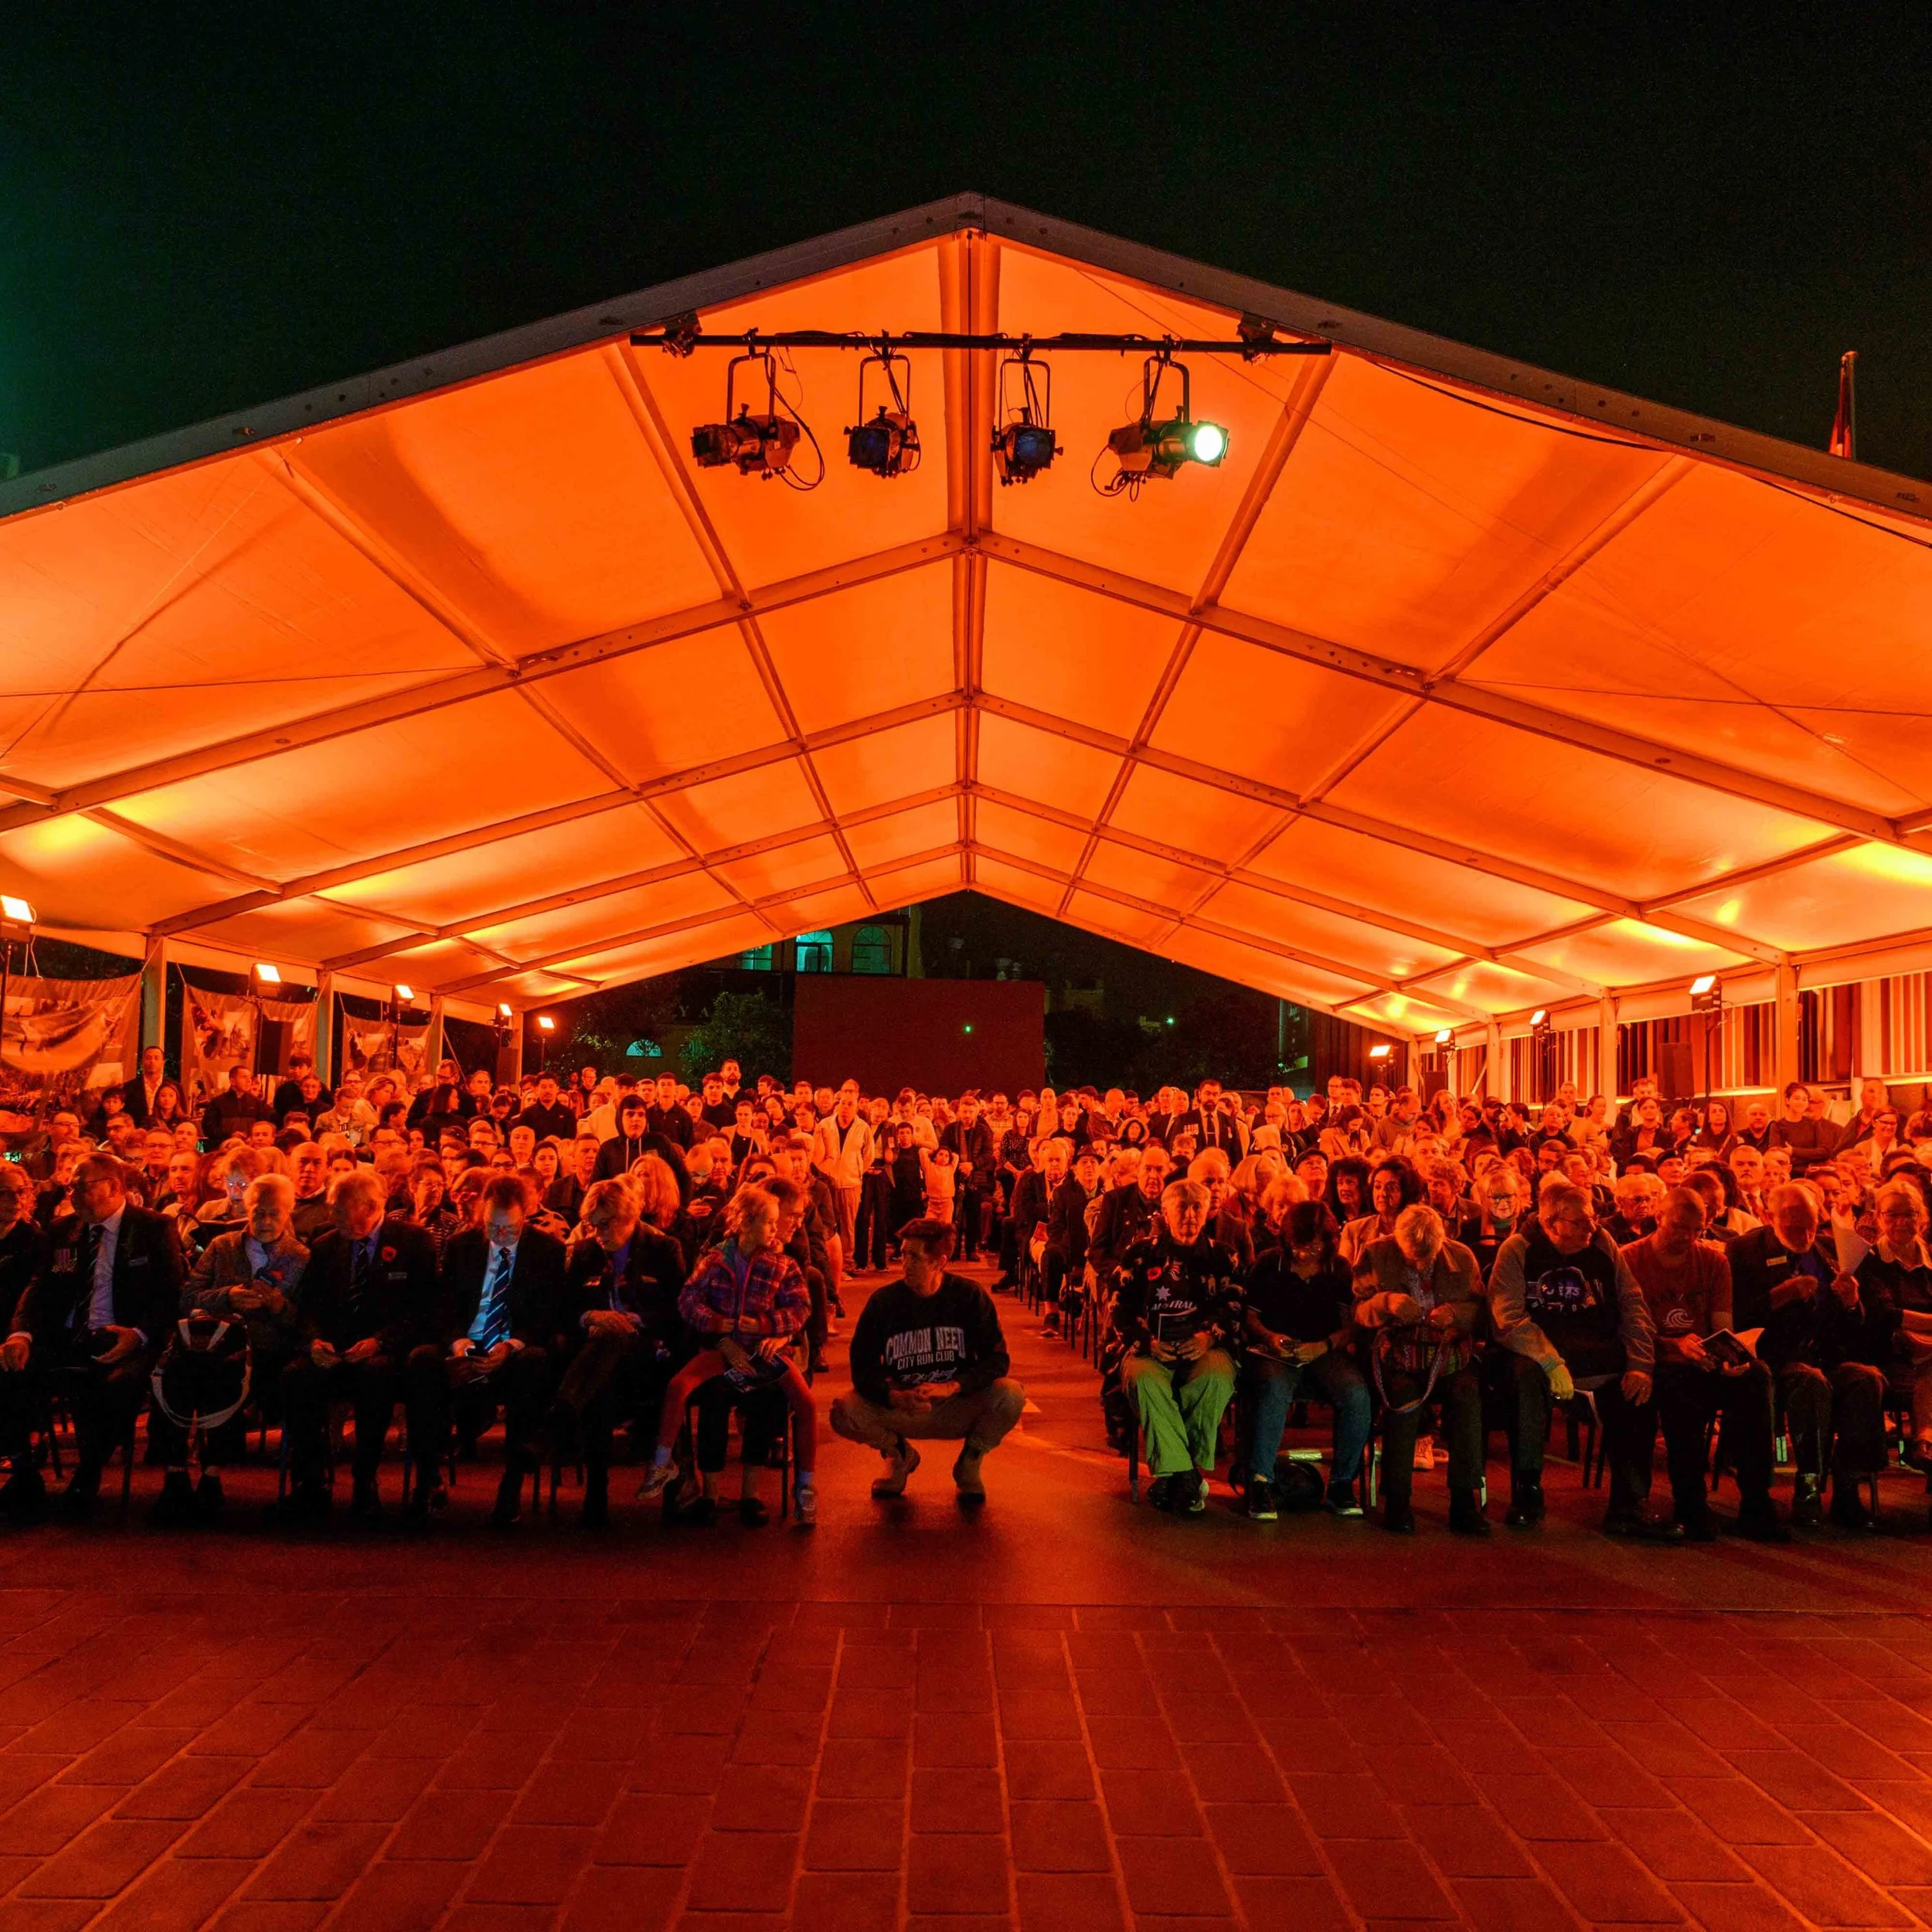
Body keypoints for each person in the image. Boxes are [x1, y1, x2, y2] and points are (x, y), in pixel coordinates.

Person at [0, 1154, 182, 1519]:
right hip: (69, 1335)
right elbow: (40, 1288)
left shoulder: (153, 1228)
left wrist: (139, 1334)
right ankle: (23, 1469)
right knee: (10, 1368)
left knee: (115, 1386)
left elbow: (171, 1295)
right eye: (70, 1187)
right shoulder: (62, 1230)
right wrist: (21, 1334)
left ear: (113, 1187)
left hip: (125, 1338)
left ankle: (89, 1470)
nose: (73, 1195)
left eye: (80, 1186)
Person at [1489, 1179, 1665, 1538]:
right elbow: (1507, 1319)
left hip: (1596, 1350)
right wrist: (1551, 1360)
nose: (1592, 1226)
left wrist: (1641, 1364)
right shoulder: (1518, 1249)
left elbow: (1632, 1303)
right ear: (1552, 1223)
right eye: (1580, 1221)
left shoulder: (1602, 1243)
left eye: (1592, 1218)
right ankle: (1528, 1494)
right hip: (1538, 1352)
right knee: (1525, 1380)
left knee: (1638, 1392)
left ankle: (1628, 1504)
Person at [637, 1184, 818, 1526]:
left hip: (763, 1352)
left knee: (795, 1401)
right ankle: (674, 1469)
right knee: (690, 1389)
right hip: (721, 1350)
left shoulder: (782, 1263)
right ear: (746, 1223)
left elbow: (801, 1307)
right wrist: (718, 1324)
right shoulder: (716, 1260)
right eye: (769, 1223)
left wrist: (767, 1325)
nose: (775, 1230)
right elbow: (688, 1300)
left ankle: (796, 1487)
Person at [274, 1168, 440, 1522]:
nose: (331, 1216)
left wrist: (380, 1341)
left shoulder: (414, 1241)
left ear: (370, 1206)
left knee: (376, 1377)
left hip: (388, 1351)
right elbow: (309, 1307)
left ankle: (365, 1478)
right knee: (295, 1376)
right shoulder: (325, 1243)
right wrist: (313, 1340)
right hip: (334, 1348)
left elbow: (424, 1310)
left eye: (339, 1209)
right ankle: (311, 1479)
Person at [1622, 1187, 1784, 1542]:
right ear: (1659, 1218)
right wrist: (1674, 1344)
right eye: (1678, 1227)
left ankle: (1756, 1500)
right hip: (1657, 1361)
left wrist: (1731, 1356)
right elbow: (1626, 1331)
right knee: (1682, 1388)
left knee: (1756, 1377)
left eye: (1696, 1230)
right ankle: (1690, 1501)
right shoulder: (1629, 1259)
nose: (1687, 1237)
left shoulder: (1714, 1262)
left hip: (1702, 1358)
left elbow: (1721, 1323)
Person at [153, 1172, 311, 1525]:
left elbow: (302, 1321)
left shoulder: (301, 1257)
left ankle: (211, 1474)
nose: (265, 1221)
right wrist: (228, 1296)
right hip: (210, 1342)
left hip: (263, 1351)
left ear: (288, 1214)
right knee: (176, 1371)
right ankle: (175, 1470)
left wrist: (277, 1307)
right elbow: (188, 1297)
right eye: (258, 1213)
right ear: (246, 1210)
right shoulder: (222, 1246)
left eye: (274, 1213)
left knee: (223, 1374)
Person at [832, 1217, 1025, 1506]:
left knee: (1010, 1395)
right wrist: (893, 1396)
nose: (905, 1264)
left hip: (955, 1403)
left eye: (915, 1257)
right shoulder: (883, 1302)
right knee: (843, 1411)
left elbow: (996, 1360)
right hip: (905, 1407)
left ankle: (971, 1461)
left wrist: (953, 1386)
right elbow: (862, 1366)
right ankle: (899, 1456)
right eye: (903, 1254)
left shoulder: (969, 1296)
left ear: (940, 1262)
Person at [1730, 1182, 1889, 1529]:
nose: (1804, 1234)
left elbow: (1857, 1327)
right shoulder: (1743, 1251)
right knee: (1809, 1382)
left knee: (1867, 1378)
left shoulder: (1831, 1250)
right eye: (1794, 1226)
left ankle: (1849, 1486)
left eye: (1812, 1225)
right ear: (1768, 1216)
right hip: (1776, 1356)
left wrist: (1851, 1304)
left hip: (1827, 1353)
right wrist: (1778, 1296)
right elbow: (1734, 1318)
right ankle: (1809, 1483)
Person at [420, 1175, 569, 1527]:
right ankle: (429, 1478)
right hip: (466, 1346)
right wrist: (459, 1343)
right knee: (421, 1363)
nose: (500, 1237)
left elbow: (548, 1317)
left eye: (509, 1229)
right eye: (492, 1227)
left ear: (526, 1215)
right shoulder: (461, 1246)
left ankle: (512, 1484)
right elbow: (442, 1309)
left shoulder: (547, 1251)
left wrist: (512, 1345)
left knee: (534, 1364)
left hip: (514, 1351)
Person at [553, 1178, 689, 1527]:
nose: (597, 1233)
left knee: (613, 1341)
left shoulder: (663, 1250)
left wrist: (635, 1319)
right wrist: (590, 1317)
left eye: (605, 1223)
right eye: (591, 1225)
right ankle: (596, 1487)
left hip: (651, 1354)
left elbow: (680, 1313)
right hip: (601, 1364)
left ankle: (562, 1415)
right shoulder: (586, 1253)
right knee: (602, 1378)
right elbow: (563, 1311)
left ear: (629, 1217)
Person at [1104, 1179, 1240, 1515]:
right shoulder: (1141, 1254)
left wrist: (1209, 1337)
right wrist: (1147, 1342)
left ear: (1208, 1212)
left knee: (1217, 1376)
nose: (1190, 1215)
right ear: (1165, 1212)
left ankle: (1174, 1474)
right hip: (1150, 1347)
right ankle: (1188, 1474)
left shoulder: (1223, 1256)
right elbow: (1119, 1306)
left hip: (1203, 1348)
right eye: (1182, 1207)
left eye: (1197, 1207)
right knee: (1146, 1380)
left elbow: (1234, 1305)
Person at [1354, 1203, 1487, 1535]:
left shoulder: (1463, 1257)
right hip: (1398, 1354)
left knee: (1467, 1397)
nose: (1420, 1263)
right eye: (1412, 1256)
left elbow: (1483, 1311)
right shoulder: (1375, 1254)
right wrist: (1385, 1303)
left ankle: (1463, 1500)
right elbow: (1355, 1311)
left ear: (1443, 1240)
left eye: (1427, 1257)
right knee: (1403, 1399)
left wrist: (1457, 1314)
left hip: (1449, 1354)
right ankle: (1397, 1499)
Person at [1238, 1193, 1370, 1519]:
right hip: (1278, 1350)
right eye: (1298, 1247)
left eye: (1312, 1248)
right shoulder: (1269, 1264)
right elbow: (1250, 1317)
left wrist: (1323, 1345)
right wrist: (1270, 1337)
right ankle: (1260, 1480)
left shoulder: (1337, 1268)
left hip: (1324, 1349)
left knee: (1355, 1394)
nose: (1304, 1254)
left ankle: (1342, 1482)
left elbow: (1349, 1326)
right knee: (1273, 1389)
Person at [937, 1094, 997, 1260]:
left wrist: (972, 1165)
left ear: (977, 1112)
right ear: (958, 1112)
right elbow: (943, 1149)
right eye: (964, 1111)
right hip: (953, 1176)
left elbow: (988, 1154)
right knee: (954, 1215)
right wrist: (957, 1163)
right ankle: (953, 1250)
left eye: (971, 1112)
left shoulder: (984, 1130)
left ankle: (971, 1249)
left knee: (973, 1215)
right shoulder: (950, 1129)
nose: (967, 1115)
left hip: (976, 1177)